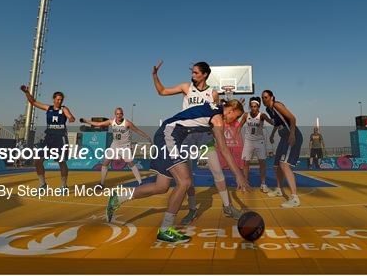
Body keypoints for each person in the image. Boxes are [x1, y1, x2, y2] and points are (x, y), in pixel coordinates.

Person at [105, 100, 250, 243]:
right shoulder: (218, 119)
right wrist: (239, 175)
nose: (234, 120)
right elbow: (224, 149)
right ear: (230, 110)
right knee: (185, 181)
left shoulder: (214, 110)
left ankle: (119, 197)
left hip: (166, 135)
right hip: (169, 136)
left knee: (161, 187)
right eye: (236, 116)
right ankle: (165, 230)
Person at [152, 60, 243, 224]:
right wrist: (155, 76)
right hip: (186, 136)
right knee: (188, 177)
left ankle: (228, 206)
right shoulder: (187, 87)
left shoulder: (213, 94)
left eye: (195, 72)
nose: (192, 75)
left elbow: (217, 115)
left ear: (205, 74)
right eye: (192, 72)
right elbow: (162, 91)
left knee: (217, 171)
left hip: (205, 136)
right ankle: (193, 209)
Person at [80, 108, 152, 189]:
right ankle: (102, 183)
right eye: (117, 114)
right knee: (105, 163)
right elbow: (98, 124)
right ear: (115, 114)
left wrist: (147, 136)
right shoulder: (111, 121)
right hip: (114, 145)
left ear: (122, 114)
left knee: (131, 163)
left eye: (120, 113)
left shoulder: (127, 123)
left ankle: (140, 182)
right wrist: (86, 121)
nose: (119, 115)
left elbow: (137, 130)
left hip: (125, 146)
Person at [20, 85, 75, 190]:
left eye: (61, 100)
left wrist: (71, 118)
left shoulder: (64, 109)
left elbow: (70, 116)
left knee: (61, 161)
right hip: (49, 138)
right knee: (37, 160)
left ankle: (64, 185)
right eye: (58, 99)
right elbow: (33, 102)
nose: (59, 101)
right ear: (53, 99)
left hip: (60, 138)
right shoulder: (48, 108)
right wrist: (26, 92)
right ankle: (43, 184)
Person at [262, 90, 303, 208]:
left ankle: (295, 198)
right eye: (262, 98)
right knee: (276, 166)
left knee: (284, 164)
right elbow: (277, 123)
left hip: (292, 135)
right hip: (283, 137)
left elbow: (292, 118)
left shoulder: (277, 105)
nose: (264, 99)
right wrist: (272, 134)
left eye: (266, 97)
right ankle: (279, 189)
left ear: (271, 97)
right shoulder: (268, 109)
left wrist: (292, 134)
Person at [237, 96, 274, 192]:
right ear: (250, 106)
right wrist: (236, 136)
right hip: (248, 141)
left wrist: (277, 118)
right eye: (252, 106)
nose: (253, 108)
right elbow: (240, 126)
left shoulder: (262, 115)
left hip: (259, 141)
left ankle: (263, 184)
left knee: (262, 163)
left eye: (255, 106)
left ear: (258, 107)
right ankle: (245, 182)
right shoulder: (246, 115)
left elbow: (272, 122)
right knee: (246, 163)